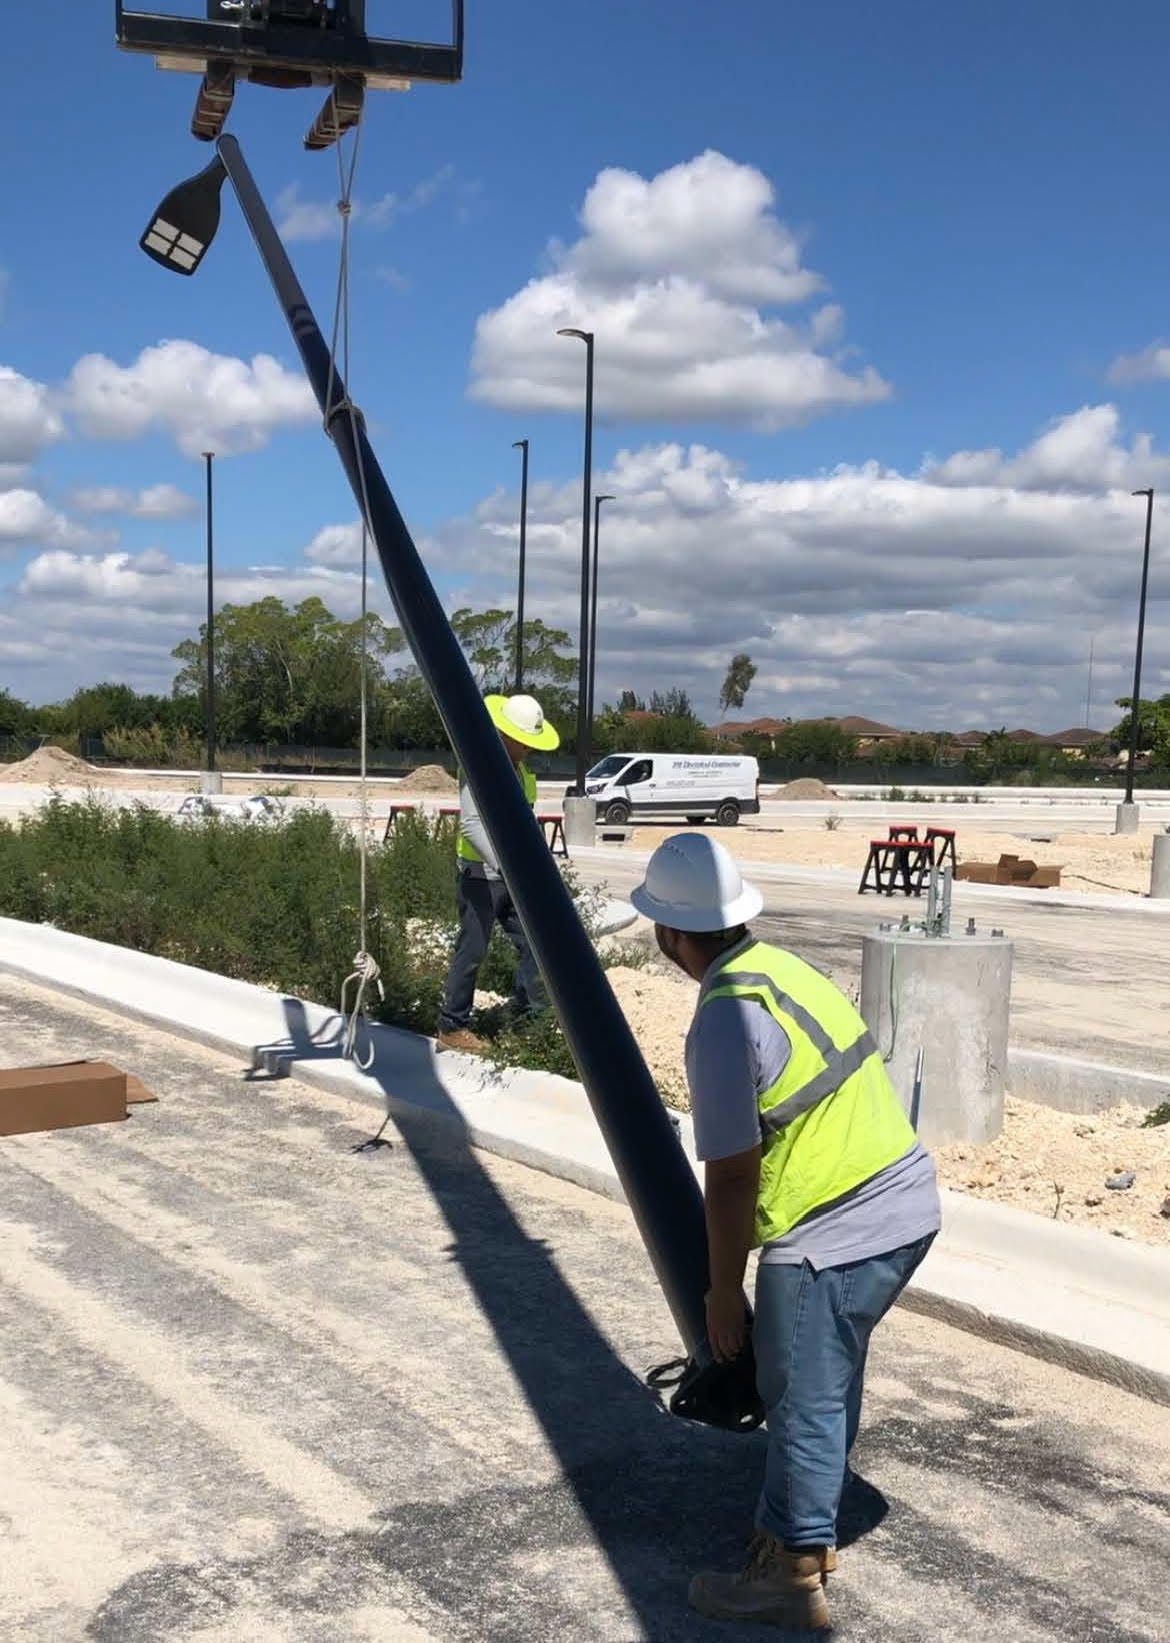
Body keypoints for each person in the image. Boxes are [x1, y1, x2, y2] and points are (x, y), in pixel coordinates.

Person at [630, 833, 941, 1632]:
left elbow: (732, 1175)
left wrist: (722, 1291)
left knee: (799, 1392)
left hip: (839, 1223)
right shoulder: (782, 968)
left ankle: (792, 1568)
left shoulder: (724, 1020)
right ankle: (810, 1521)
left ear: (670, 934)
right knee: (826, 1376)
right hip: (904, 1202)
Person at [436, 693, 560, 1054]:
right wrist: (510, 869)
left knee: (536, 945)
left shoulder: (521, 773)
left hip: (511, 879)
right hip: (480, 878)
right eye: (524, 742)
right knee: (472, 950)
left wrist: (534, 862)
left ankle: (528, 1015)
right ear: (505, 735)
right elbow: (472, 826)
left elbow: (524, 824)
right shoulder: (479, 766)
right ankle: (451, 1025)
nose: (528, 749)